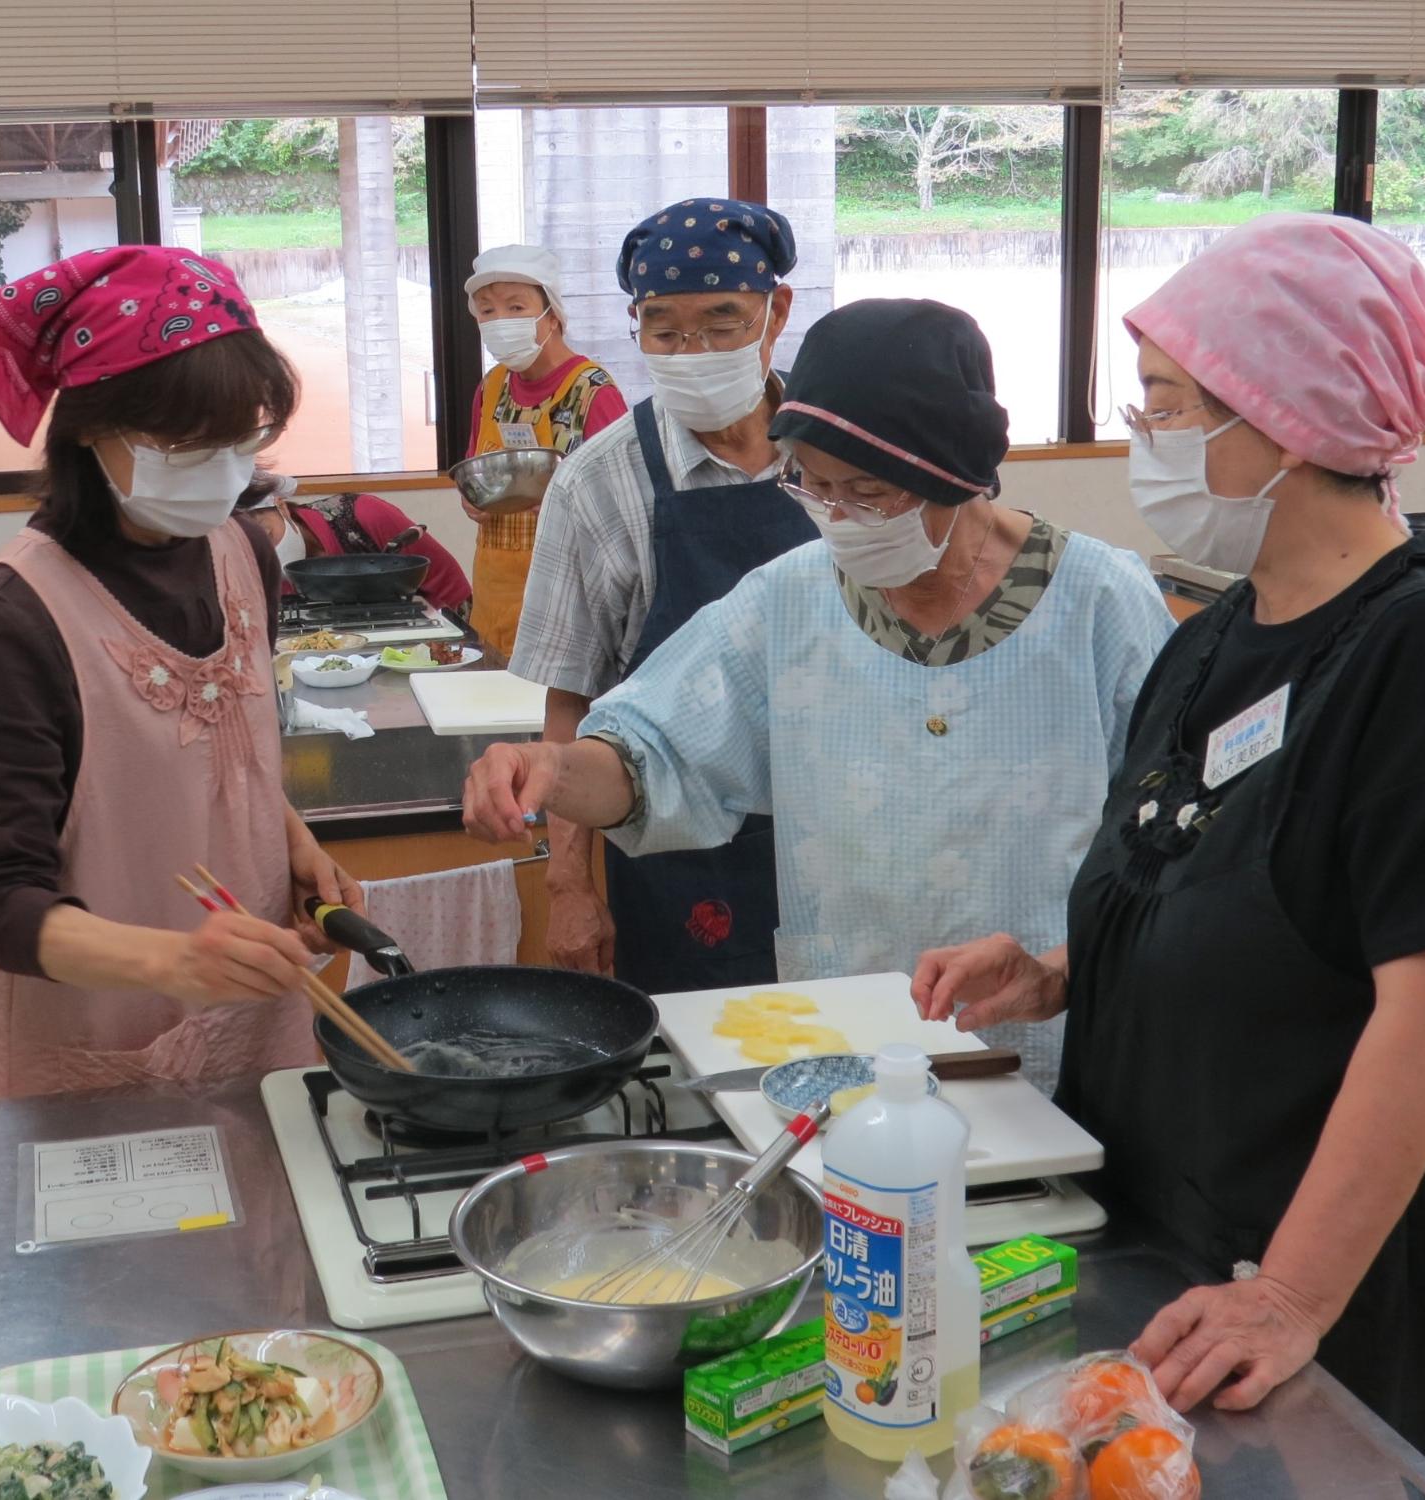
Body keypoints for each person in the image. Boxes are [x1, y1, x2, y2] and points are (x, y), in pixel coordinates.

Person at [911, 215, 1425, 1499]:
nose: (1142, 439)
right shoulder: (1213, 637)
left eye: (1164, 405)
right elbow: (1231, 882)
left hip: (1316, 1268)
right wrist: (1061, 969)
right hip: (1165, 1221)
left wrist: (1290, 1295)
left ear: (1286, 416)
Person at [466, 300, 1173, 1089]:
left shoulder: (1100, 603)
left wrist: (1059, 968)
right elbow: (651, 752)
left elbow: (1176, 854)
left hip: (1045, 1034)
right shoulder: (791, 598)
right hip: (843, 1035)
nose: (837, 518)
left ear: (953, 473)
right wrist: (553, 771)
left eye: (868, 493)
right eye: (813, 487)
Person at [0, 245, 367, 1099]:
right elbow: (0, 904)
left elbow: (226, 750)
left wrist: (296, 843)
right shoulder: (14, 616)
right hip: (97, 1025)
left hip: (255, 1002)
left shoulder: (243, 550)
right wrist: (177, 960)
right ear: (92, 429)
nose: (221, 468)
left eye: (239, 438)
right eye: (185, 442)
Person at [508, 200, 818, 993]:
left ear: (775, 311)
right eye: (665, 329)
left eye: (722, 322)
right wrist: (570, 885)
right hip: (676, 854)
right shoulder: (596, 483)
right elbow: (571, 700)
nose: (694, 350)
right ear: (635, 326)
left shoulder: (838, 457)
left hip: (845, 829)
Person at [462, 244, 628, 657]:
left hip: (567, 601)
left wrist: (569, 508)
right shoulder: (492, 386)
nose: (500, 321)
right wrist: (474, 503)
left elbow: (624, 509)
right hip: (494, 600)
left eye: (516, 307)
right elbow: (473, 472)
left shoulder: (593, 392)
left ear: (552, 314)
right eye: (487, 310)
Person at [238, 472, 472, 617]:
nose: (268, 553)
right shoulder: (253, 576)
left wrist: (456, 646)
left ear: (281, 507)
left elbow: (451, 586)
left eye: (267, 534)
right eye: (252, 550)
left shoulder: (363, 515)